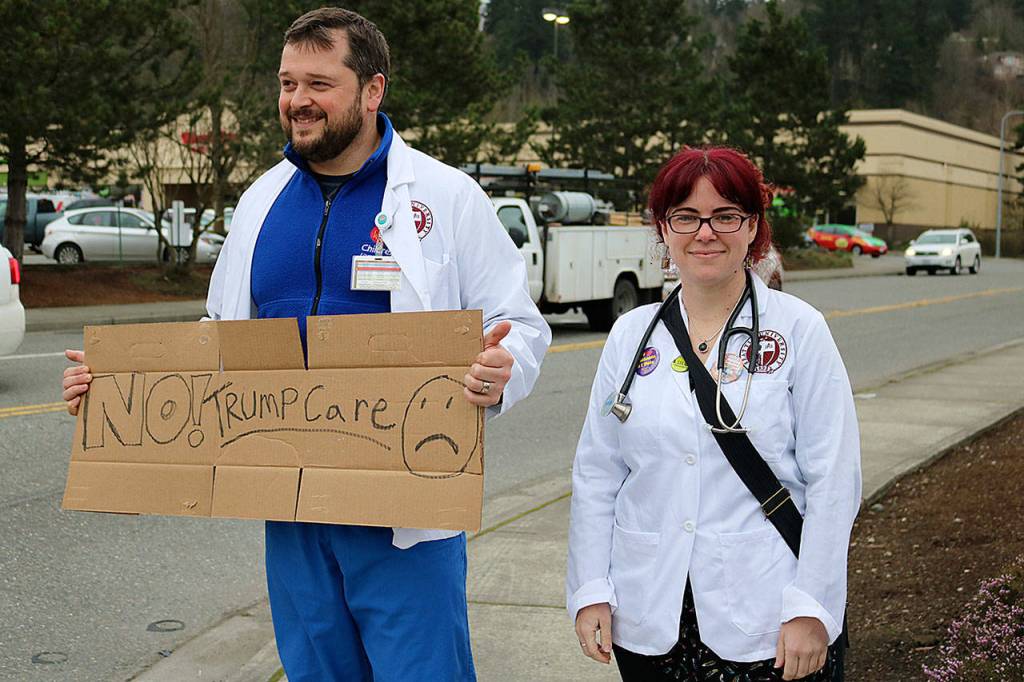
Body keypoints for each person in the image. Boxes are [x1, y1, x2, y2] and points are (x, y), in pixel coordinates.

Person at [62, 8, 550, 681]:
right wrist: (114, 386)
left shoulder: (445, 198)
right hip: (292, 514)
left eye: (319, 84)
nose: (298, 101)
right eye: (288, 83)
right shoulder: (262, 202)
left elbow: (520, 324)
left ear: (372, 90)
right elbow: (215, 342)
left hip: (405, 520)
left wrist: (503, 369)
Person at [566, 146, 861, 681]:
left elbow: (834, 481)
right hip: (649, 612)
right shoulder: (632, 336)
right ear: (663, 227)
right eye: (686, 216)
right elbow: (597, 475)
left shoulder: (799, 331)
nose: (705, 232)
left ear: (753, 228)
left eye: (726, 215)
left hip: (769, 612)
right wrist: (591, 590)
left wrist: (813, 607)